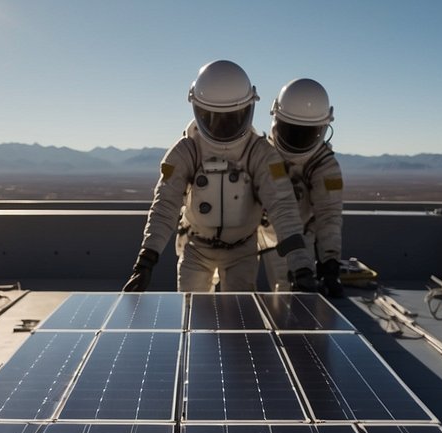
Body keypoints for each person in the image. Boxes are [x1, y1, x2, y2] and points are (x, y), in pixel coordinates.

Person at [123, 60, 317, 293]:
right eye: (214, 118)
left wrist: (301, 265)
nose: (223, 126)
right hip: (196, 249)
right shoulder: (187, 151)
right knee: (192, 312)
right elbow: (166, 203)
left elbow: (282, 207)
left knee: (239, 318)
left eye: (232, 117)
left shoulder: (260, 155)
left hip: (242, 252)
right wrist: (146, 259)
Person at [258, 78, 345, 297]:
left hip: (300, 233)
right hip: (258, 232)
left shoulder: (323, 166)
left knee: (292, 293)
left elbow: (329, 215)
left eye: (304, 133)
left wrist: (330, 263)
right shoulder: (261, 155)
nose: (296, 139)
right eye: (290, 131)